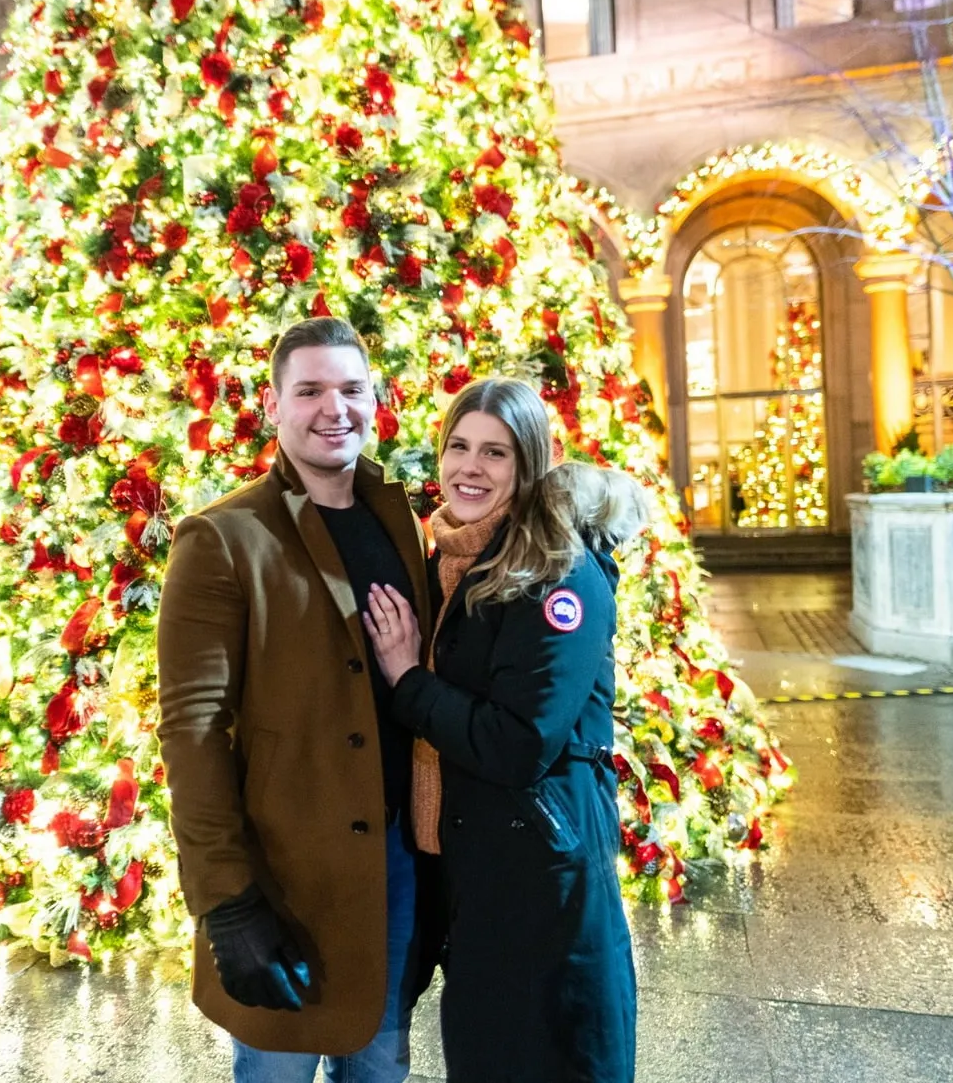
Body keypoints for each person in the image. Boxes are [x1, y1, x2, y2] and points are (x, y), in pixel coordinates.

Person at [156, 317, 437, 1083]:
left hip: (394, 866)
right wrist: (226, 901)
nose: (333, 408)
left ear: (374, 400)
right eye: (309, 390)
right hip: (286, 877)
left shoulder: (396, 517)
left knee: (380, 1066)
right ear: (273, 405)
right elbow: (193, 729)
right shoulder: (222, 536)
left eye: (351, 389)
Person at [362, 378, 645, 1083]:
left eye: (495, 452)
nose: (470, 467)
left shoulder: (557, 573)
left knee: (550, 1057)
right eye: (458, 446)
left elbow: (520, 743)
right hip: (476, 868)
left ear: (529, 465)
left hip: (540, 872)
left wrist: (408, 678)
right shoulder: (448, 560)